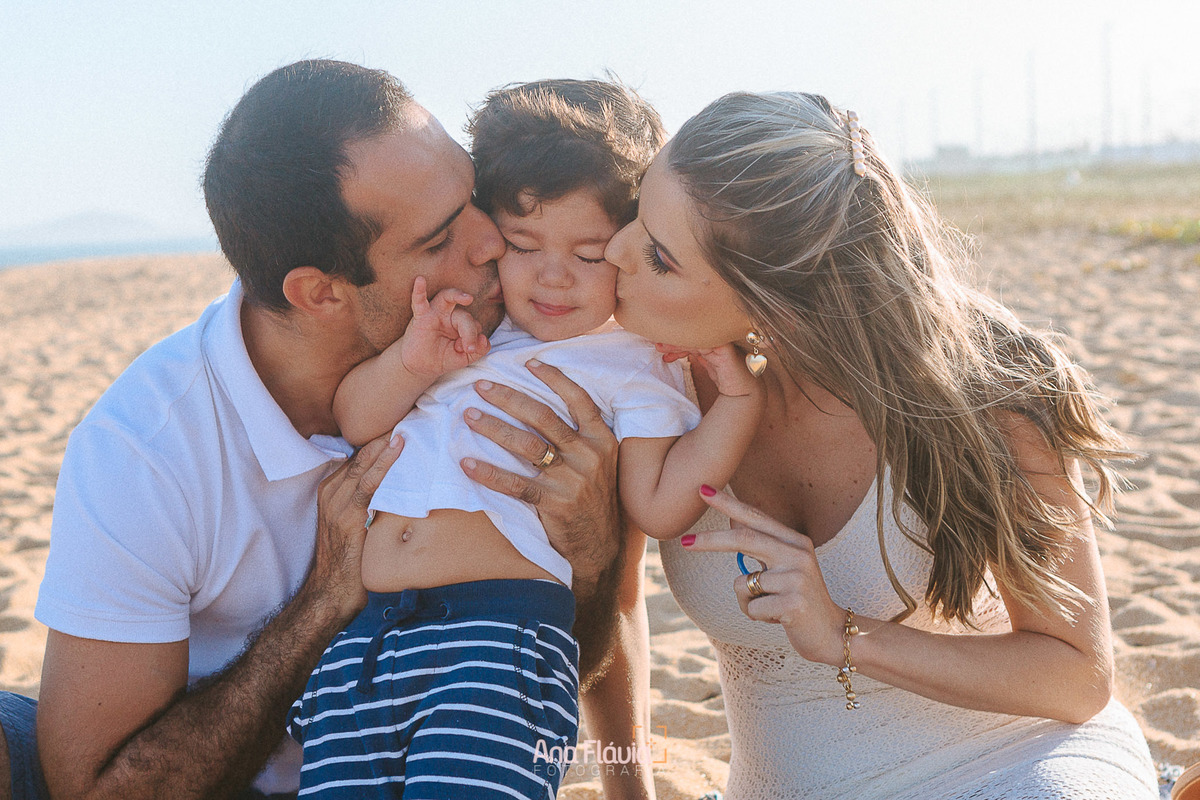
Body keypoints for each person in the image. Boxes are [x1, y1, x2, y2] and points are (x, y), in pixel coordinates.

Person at [0, 60, 640, 800]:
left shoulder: (528, 341)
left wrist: (591, 559)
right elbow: (98, 790)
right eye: (438, 240)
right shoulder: (144, 449)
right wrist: (318, 608)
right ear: (320, 292)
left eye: (474, 197)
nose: (492, 243)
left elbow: (577, 643)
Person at [603, 91, 1160, 799]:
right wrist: (629, 789)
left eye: (658, 255)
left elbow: (1078, 676)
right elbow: (617, 606)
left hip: (1024, 767)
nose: (614, 251)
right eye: (635, 214)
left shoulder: (985, 382)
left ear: (780, 304)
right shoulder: (647, 387)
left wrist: (843, 634)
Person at [286, 79, 763, 798]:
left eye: (590, 252)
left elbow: (658, 512)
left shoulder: (632, 362)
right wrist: (413, 362)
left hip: (497, 641)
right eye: (522, 243)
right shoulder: (463, 329)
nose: (552, 274)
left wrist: (735, 399)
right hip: (368, 640)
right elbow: (354, 419)